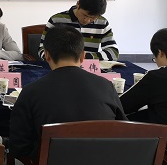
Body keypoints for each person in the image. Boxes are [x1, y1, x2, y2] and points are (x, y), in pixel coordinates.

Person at [9, 25, 126, 158]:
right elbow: (124, 131)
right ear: (82, 56)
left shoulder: (31, 92)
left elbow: (18, 146)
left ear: (47, 55)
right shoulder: (106, 86)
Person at [38, 0, 119, 61]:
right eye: (85, 15)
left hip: (89, 67)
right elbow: (42, 49)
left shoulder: (102, 23)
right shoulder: (56, 20)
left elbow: (113, 52)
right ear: (78, 4)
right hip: (60, 66)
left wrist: (85, 57)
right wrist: (63, 60)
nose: (87, 20)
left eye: (93, 18)